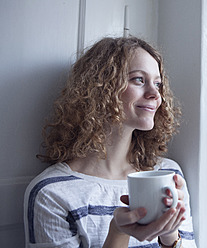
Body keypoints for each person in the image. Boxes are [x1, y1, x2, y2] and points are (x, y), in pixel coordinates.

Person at [24, 36, 196, 248]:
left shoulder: (168, 174)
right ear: (101, 89)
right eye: (139, 80)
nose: (155, 94)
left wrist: (169, 236)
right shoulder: (52, 193)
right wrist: (118, 232)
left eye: (158, 83)